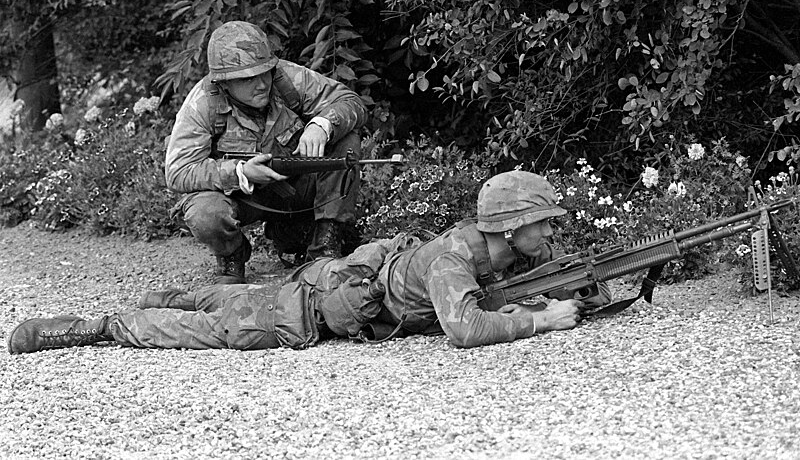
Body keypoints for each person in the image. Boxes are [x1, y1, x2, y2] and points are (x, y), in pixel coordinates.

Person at [7, 171, 611, 354]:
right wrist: (545, 320)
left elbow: (541, 284)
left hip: (315, 288)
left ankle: (172, 295)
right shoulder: (453, 262)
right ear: (511, 226)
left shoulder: (499, 252)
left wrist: (584, 293)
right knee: (211, 325)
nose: (552, 229)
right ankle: (86, 328)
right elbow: (467, 329)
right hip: (298, 316)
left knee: (222, 300)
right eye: (545, 221)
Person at [165, 20, 367, 283]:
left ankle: (325, 245)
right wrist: (239, 172)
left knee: (345, 140)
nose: (261, 83)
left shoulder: (288, 78)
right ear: (224, 82)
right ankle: (232, 256)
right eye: (248, 79)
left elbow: (351, 102)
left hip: (295, 189)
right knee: (204, 213)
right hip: (242, 199)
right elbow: (178, 171)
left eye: (265, 72)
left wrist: (322, 125)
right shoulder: (203, 103)